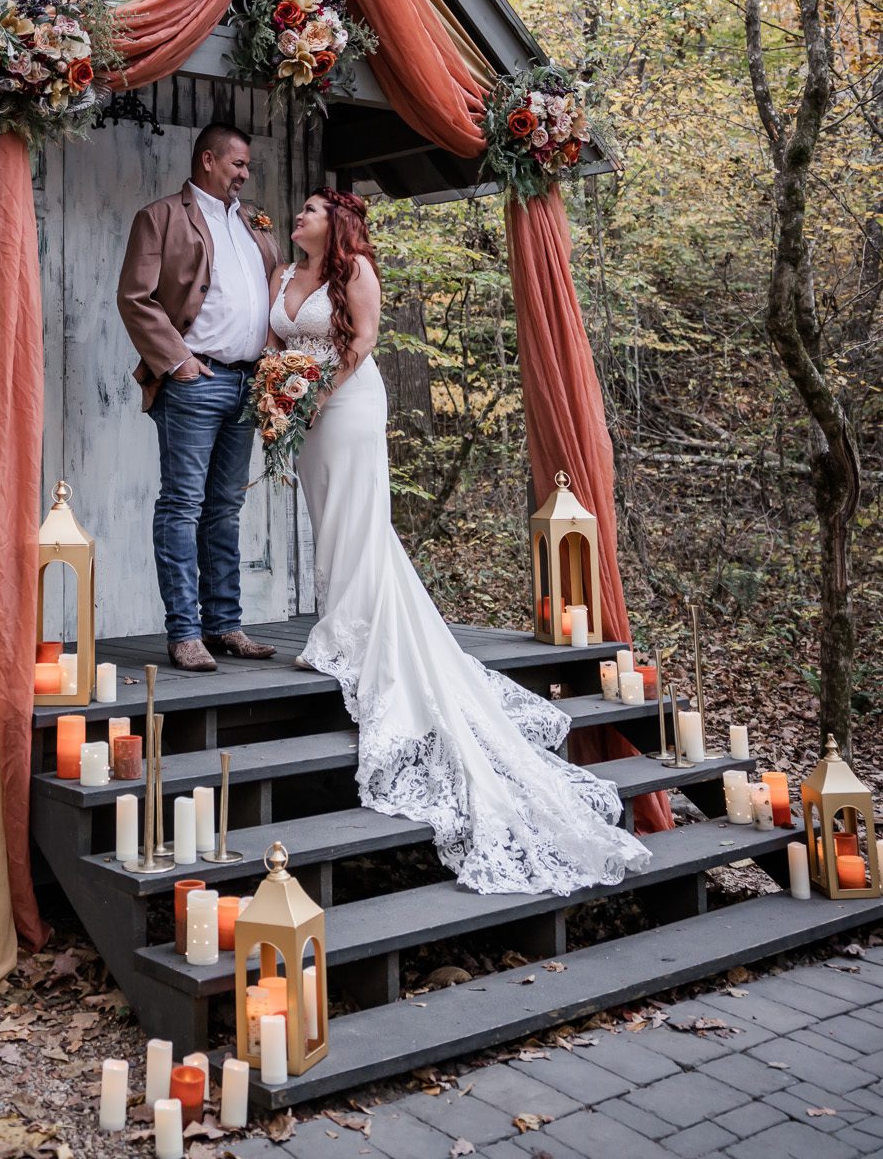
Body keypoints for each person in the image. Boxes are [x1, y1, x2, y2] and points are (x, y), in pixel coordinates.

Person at [269, 188, 651, 896]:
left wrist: (319, 394)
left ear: (338, 223)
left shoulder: (351, 272)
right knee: (327, 515)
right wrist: (280, 394)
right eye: (301, 211)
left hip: (347, 404)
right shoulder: (280, 277)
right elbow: (275, 345)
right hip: (302, 413)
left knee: (358, 514)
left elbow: (361, 344)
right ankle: (341, 618)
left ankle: (350, 631)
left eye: (312, 210)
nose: (300, 217)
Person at [117, 123, 284, 672]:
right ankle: (184, 632)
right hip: (197, 381)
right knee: (183, 505)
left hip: (247, 382)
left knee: (225, 509)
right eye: (237, 164)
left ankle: (224, 624)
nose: (244, 173)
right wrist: (179, 361)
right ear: (208, 160)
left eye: (247, 166)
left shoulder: (253, 224)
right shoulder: (161, 216)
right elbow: (135, 297)